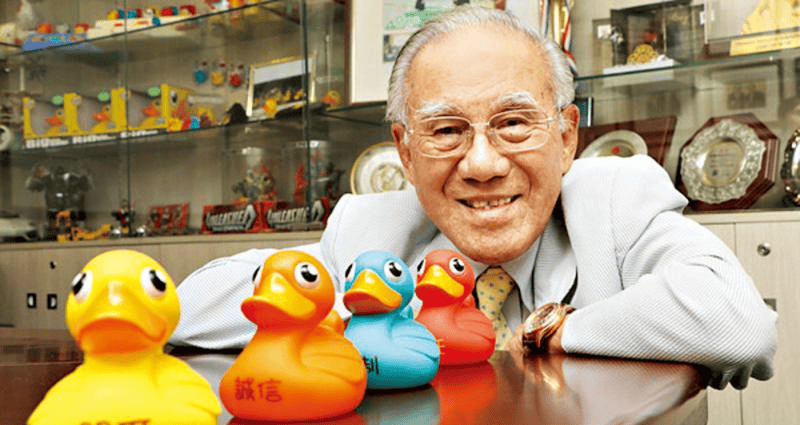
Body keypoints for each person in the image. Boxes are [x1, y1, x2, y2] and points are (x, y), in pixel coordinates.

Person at [171, 6, 776, 390]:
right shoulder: (374, 230)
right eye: (445, 131)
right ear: (406, 153)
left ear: (566, 137)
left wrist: (550, 332)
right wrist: (341, 322)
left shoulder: (615, 198)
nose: (482, 165)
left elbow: (734, 320)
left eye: (513, 123)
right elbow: (184, 310)